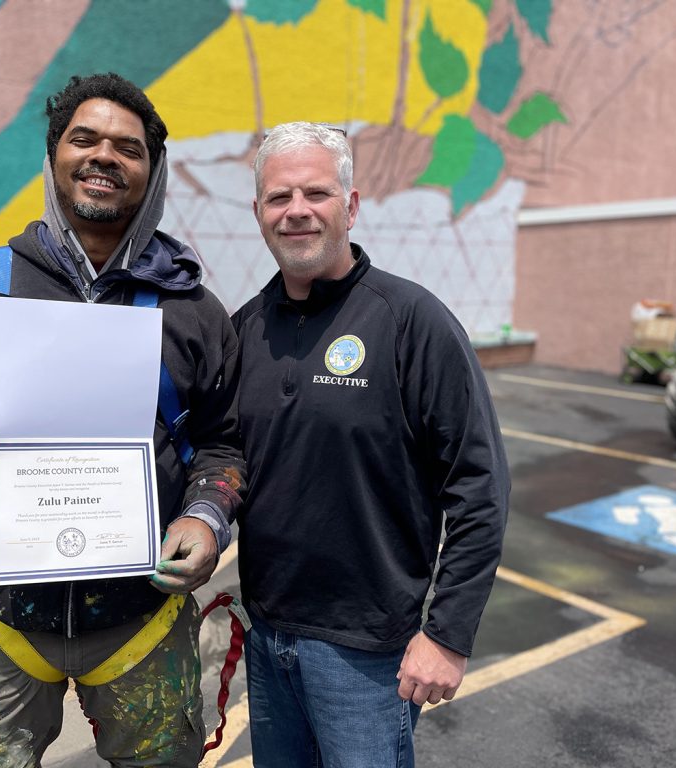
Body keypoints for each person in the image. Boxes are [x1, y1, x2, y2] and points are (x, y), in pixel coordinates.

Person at [0, 73, 245, 768]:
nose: (104, 155)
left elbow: (224, 443)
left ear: (152, 173)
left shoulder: (195, 313)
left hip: (144, 618)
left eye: (127, 148)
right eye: (85, 139)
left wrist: (206, 517)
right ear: (53, 160)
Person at [231, 122, 510, 768]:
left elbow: (480, 488)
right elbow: (222, 464)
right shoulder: (243, 330)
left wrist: (447, 633)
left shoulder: (412, 322)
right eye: (278, 198)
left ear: (350, 207)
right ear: (258, 214)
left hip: (367, 653)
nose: (296, 210)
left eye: (316, 193)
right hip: (269, 639)